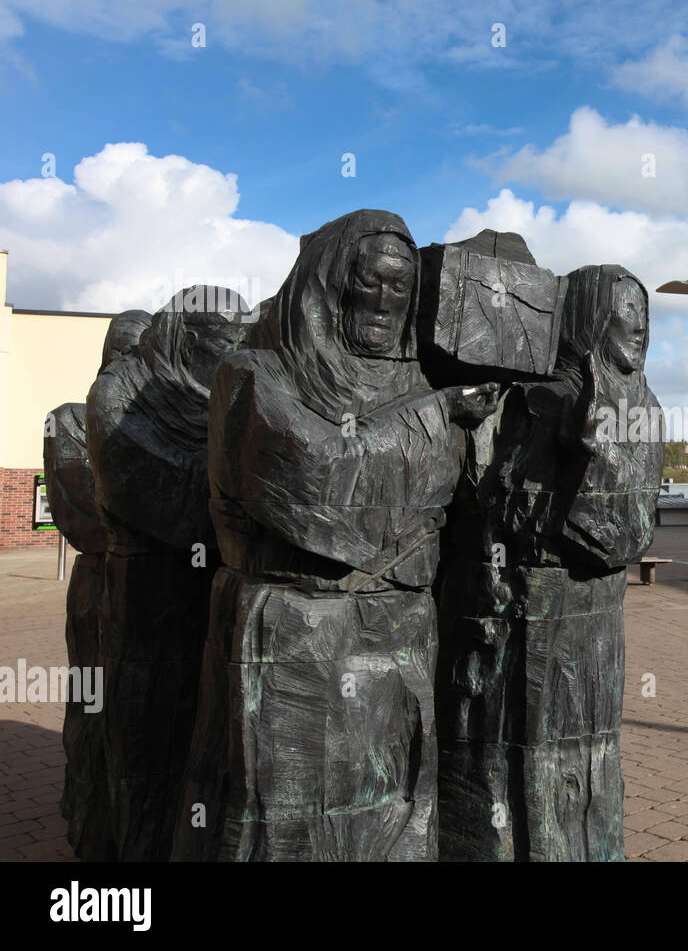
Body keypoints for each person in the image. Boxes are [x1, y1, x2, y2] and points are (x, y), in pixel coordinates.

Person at [176, 209, 496, 861]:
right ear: (328, 284)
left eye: (400, 287)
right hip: (300, 626)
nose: (384, 300)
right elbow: (319, 480)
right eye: (369, 282)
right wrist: (439, 415)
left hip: (402, 621)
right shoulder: (256, 374)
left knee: (398, 800)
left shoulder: (424, 384)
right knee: (291, 812)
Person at [437, 264, 663, 861]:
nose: (638, 328)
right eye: (625, 314)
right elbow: (506, 510)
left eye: (645, 315)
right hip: (542, 606)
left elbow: (633, 523)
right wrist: (566, 456)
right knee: (536, 756)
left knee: (591, 755)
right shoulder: (544, 400)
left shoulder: (644, 404)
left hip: (600, 611)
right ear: (591, 318)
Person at [84, 289, 249, 861]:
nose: (228, 349)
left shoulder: (219, 397)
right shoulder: (118, 393)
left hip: (211, 593)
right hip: (148, 593)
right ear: (183, 333)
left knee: (202, 745)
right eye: (216, 337)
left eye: (235, 338)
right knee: (144, 738)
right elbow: (147, 487)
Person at [43, 307, 154, 860]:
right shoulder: (67, 420)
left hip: (154, 585)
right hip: (101, 583)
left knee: (144, 712)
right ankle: (87, 815)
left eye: (146, 356)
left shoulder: (169, 423)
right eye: (127, 354)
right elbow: (82, 516)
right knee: (93, 706)